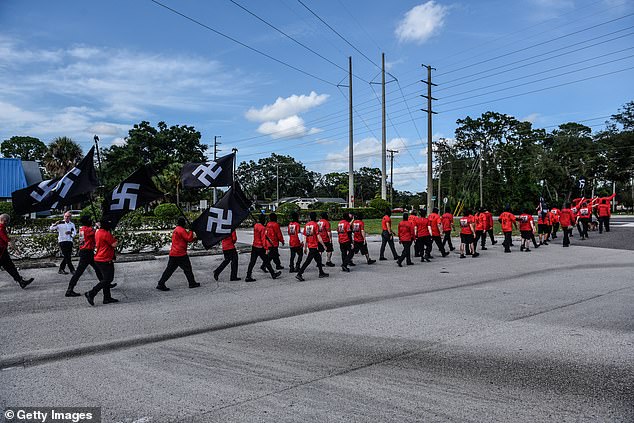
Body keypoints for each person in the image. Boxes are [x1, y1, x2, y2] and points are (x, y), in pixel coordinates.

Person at [156, 217, 199, 291]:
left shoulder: (176, 229)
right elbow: (188, 238)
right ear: (183, 223)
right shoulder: (182, 230)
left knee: (169, 270)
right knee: (188, 269)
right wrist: (191, 230)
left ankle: (161, 283)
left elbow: (187, 239)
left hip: (173, 253)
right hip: (180, 253)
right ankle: (192, 283)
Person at [66, 215, 104, 297]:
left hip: (85, 252)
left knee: (97, 268)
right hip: (87, 252)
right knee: (79, 272)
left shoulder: (82, 228)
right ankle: (69, 290)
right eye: (90, 220)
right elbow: (96, 232)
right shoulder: (88, 229)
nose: (91, 221)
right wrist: (98, 226)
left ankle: (104, 283)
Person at [85, 219, 118, 306]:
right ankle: (91, 293)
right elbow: (114, 244)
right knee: (108, 279)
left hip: (99, 258)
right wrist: (115, 238)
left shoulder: (98, 231)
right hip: (105, 259)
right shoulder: (106, 234)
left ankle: (107, 297)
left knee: (105, 279)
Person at [0, 213, 34, 289]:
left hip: (3, 252)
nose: (8, 223)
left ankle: (21, 281)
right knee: (10, 267)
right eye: (8, 221)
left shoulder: (2, 228)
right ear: (4, 221)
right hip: (1, 253)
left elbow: (7, 240)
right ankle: (21, 281)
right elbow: (8, 242)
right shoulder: (1, 228)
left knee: (10, 267)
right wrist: (16, 250)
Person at [245, 214, 281, 283]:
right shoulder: (263, 228)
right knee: (267, 261)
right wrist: (266, 248)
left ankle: (248, 276)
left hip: (254, 246)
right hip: (260, 247)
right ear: (263, 220)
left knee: (252, 262)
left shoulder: (256, 226)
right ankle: (273, 274)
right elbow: (263, 239)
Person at [295, 212, 329, 281]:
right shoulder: (315, 225)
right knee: (308, 261)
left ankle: (321, 272)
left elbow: (305, 236)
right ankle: (299, 274)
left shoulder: (307, 225)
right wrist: (324, 245)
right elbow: (318, 237)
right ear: (315, 217)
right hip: (314, 246)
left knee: (318, 259)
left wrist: (305, 246)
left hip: (310, 245)